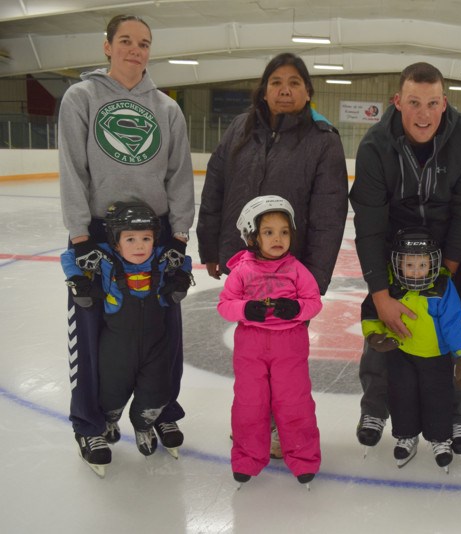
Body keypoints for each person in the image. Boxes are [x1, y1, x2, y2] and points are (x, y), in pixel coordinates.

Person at [58, 14, 194, 475]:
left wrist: (179, 235)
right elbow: (72, 170)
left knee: (163, 326)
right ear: (107, 47)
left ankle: (161, 409)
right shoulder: (82, 98)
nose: (135, 49)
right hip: (98, 231)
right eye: (126, 41)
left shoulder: (166, 108)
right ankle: (89, 422)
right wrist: (80, 238)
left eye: (143, 43)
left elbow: (178, 175)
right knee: (95, 332)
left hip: (155, 233)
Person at [197, 53, 347, 459]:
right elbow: (216, 185)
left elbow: (330, 214)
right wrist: (210, 244)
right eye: (277, 81)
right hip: (241, 263)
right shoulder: (240, 128)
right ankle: (254, 425)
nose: (285, 89)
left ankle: (283, 427)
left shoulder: (323, 139)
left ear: (308, 92)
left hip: (290, 273)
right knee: (250, 358)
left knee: (286, 364)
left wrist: (314, 277)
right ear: (264, 89)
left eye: (295, 82)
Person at [349, 62, 461, 456]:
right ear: (397, 102)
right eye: (414, 103)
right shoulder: (376, 145)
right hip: (396, 251)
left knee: (453, 332)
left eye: (432, 103)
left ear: (444, 103)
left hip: (450, 249)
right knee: (382, 326)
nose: (423, 114)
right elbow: (370, 224)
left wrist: (447, 272)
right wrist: (380, 291)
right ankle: (375, 408)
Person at [60, 201, 193, 474]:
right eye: (130, 239)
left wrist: (181, 276)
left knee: (158, 389)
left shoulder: (160, 257)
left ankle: (144, 423)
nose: (139, 246)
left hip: (156, 343)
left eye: (146, 238)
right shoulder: (107, 259)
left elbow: (184, 260)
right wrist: (77, 280)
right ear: (116, 242)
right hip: (116, 344)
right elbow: (68, 257)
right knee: (111, 391)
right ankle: (109, 419)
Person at [217, 196, 322, 487]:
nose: (278, 238)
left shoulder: (297, 269)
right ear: (252, 236)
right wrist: (245, 309)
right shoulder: (242, 271)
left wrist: (298, 309)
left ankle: (303, 459)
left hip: (290, 345)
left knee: (294, 402)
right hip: (251, 345)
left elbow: (314, 302)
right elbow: (225, 305)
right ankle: (247, 459)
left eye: (284, 231)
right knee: (250, 403)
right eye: (269, 232)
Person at [361, 227, 461, 472]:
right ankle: (406, 435)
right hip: (401, 354)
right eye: (409, 265)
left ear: (432, 263)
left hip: (436, 357)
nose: (416, 271)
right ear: (398, 264)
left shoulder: (442, 286)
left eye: (422, 265)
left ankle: (440, 439)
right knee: (402, 396)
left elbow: (453, 323)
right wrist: (374, 335)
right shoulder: (388, 283)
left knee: (438, 398)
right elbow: (371, 313)